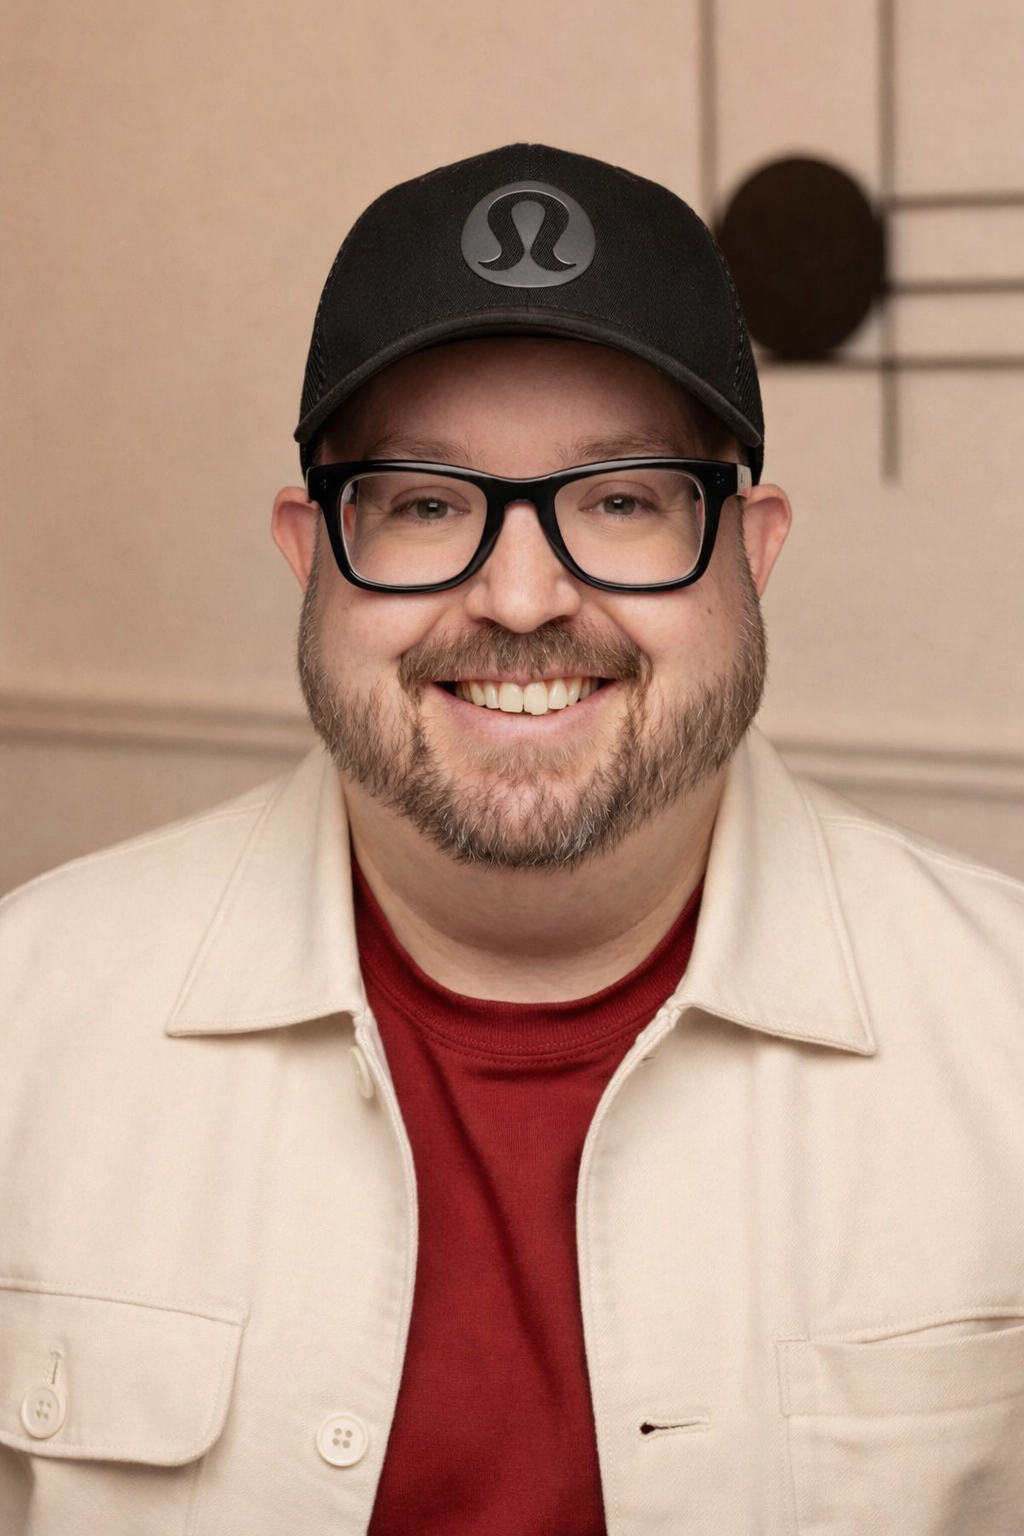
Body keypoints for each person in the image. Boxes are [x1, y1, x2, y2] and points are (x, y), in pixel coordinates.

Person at [1, 143, 1022, 1536]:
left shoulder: (1003, 1041)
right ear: (312, 553)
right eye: (426, 503)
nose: (525, 594)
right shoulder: (30, 1023)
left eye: (620, 499)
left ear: (754, 548)